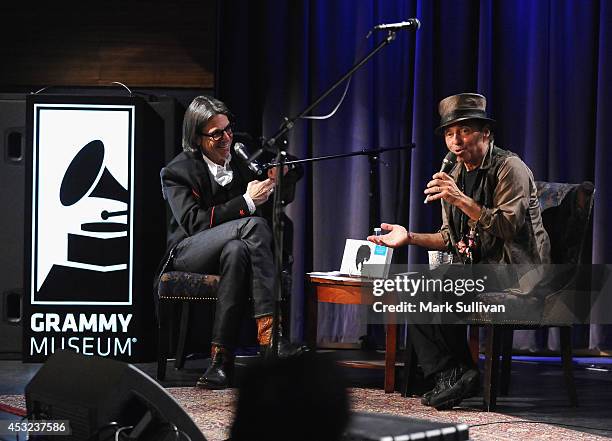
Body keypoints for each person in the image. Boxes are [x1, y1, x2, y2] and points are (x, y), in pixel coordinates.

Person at [368, 93, 551, 410]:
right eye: (450, 133)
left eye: (464, 131)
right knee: (413, 287)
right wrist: (408, 237)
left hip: (520, 275)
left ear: (486, 133)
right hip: (482, 270)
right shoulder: (453, 175)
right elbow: (450, 239)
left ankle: (460, 376)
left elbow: (507, 228)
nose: (456, 140)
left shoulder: (510, 168)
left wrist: (459, 200)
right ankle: (454, 375)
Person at [158, 96, 304, 390]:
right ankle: (271, 337)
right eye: (216, 134)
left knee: (237, 250)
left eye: (228, 130)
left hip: (229, 252)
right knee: (253, 224)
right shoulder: (177, 171)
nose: (226, 138)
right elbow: (195, 223)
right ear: (196, 138)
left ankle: (220, 361)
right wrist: (248, 201)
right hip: (190, 251)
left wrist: (280, 179)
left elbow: (275, 200)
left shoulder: (240, 162)